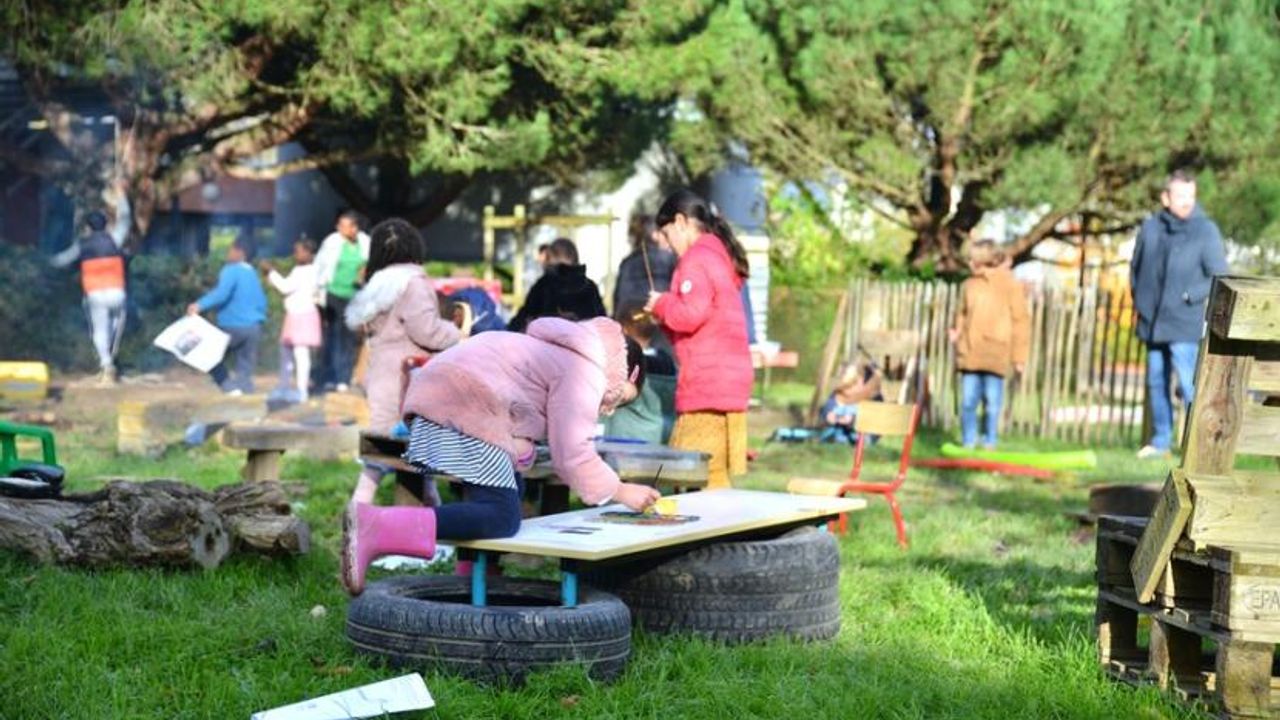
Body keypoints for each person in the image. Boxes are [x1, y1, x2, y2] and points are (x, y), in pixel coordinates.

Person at [340, 316, 659, 595]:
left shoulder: (559, 350)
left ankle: (474, 576)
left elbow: (519, 402)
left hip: (444, 395)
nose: (610, 407)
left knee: (507, 491)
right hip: (466, 402)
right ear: (621, 372)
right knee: (500, 514)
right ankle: (377, 526)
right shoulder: (586, 370)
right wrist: (620, 491)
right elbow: (572, 452)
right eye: (618, 397)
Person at [344, 218, 461, 504]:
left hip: (381, 377)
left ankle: (357, 522)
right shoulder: (414, 283)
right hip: (411, 380)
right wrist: (457, 332)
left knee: (380, 454)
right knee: (421, 452)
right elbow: (427, 331)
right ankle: (433, 531)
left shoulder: (378, 284)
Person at [643, 189, 754, 489]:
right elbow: (693, 326)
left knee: (696, 470)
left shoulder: (696, 260)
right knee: (708, 473)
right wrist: (663, 316)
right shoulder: (718, 256)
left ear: (681, 222)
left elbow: (690, 314)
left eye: (667, 234)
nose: (666, 244)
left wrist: (663, 304)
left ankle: (717, 535)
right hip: (728, 380)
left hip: (709, 384)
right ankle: (716, 532)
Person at [1130, 169, 1229, 458]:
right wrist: (1140, 300)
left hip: (1184, 320)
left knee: (1188, 383)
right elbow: (1135, 268)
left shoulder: (1205, 229)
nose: (1186, 201)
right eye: (1180, 195)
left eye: (1190, 195)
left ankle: (1198, 446)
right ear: (1165, 197)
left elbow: (1219, 274)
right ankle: (1161, 441)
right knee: (1155, 381)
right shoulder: (1150, 227)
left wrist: (1190, 296)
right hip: (1151, 320)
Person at [950, 240, 1030, 449]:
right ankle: (969, 442)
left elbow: (1020, 321)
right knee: (968, 402)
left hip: (996, 353)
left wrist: (1019, 358)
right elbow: (961, 313)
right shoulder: (969, 285)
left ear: (983, 260)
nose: (968, 261)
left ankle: (989, 442)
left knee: (992, 403)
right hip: (970, 352)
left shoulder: (1009, 285)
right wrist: (956, 331)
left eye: (972, 258)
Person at [51, 182, 131, 384]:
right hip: (117, 292)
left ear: (88, 227)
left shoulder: (82, 245)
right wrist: (122, 195)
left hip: (94, 293)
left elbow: (62, 261)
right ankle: (110, 360)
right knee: (115, 327)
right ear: (105, 224)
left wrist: (45, 260)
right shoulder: (115, 238)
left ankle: (106, 364)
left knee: (99, 330)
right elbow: (125, 220)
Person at [187, 235, 268, 395]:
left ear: (240, 252)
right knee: (245, 366)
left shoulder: (231, 270)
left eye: (231, 249)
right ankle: (246, 398)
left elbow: (222, 294)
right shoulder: (252, 273)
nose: (228, 253)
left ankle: (228, 387)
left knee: (208, 355)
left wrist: (199, 305)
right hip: (254, 327)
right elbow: (261, 302)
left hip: (233, 326)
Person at [602, 302, 678, 443]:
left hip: (622, 437)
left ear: (623, 330)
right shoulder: (667, 361)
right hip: (662, 435)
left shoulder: (625, 360)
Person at [314, 211, 370, 391]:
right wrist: (315, 291)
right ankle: (329, 375)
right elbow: (319, 266)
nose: (341, 229)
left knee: (349, 337)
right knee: (333, 334)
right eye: (340, 225)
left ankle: (343, 377)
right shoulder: (332, 242)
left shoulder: (364, 242)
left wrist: (363, 274)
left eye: (345, 225)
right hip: (333, 294)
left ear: (354, 227)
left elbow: (369, 263)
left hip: (354, 296)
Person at [263, 237, 321, 402]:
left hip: (302, 314)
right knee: (287, 352)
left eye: (299, 251)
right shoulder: (308, 270)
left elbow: (285, 287)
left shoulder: (306, 271)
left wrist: (271, 271)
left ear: (309, 253)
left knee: (300, 354)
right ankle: (284, 386)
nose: (295, 255)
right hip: (297, 314)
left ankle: (301, 390)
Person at [507, 238, 607, 332]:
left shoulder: (544, 284)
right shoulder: (590, 287)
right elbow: (602, 323)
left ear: (551, 258)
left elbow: (522, 319)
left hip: (545, 348)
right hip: (584, 347)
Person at [612, 214, 676, 316]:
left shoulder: (626, 263)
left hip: (630, 321)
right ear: (655, 235)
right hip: (659, 319)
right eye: (664, 233)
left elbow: (618, 299)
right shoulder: (669, 259)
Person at [819, 359, 883, 444]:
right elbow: (829, 409)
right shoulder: (840, 394)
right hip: (850, 436)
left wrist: (851, 420)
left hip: (857, 438)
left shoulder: (873, 399)